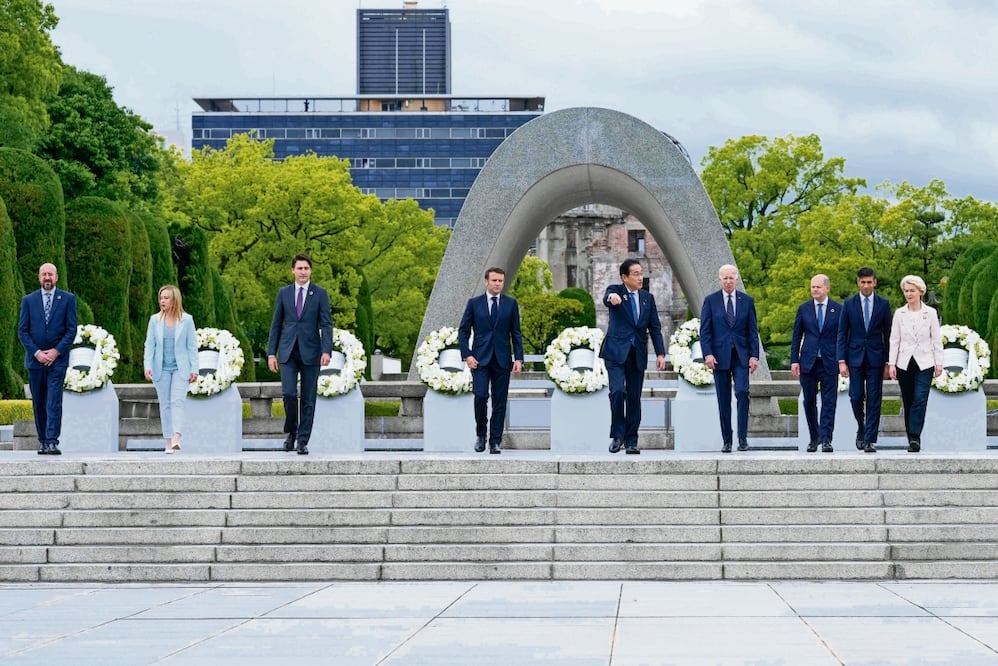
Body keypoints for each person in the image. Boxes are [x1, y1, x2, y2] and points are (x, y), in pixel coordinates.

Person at [267, 253, 332, 455]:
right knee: (288, 394)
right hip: (287, 351)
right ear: (293, 270)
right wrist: (271, 353)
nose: (303, 272)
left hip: (311, 352)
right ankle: (292, 432)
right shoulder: (284, 293)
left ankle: (302, 440)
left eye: (306, 268)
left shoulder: (320, 293)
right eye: (299, 268)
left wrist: (326, 350)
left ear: (310, 271)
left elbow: (326, 324)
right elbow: (276, 325)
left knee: (308, 399)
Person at [599, 259, 666, 455]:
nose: (640, 277)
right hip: (615, 352)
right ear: (624, 277)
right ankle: (617, 435)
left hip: (637, 354)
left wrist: (661, 353)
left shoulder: (647, 298)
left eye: (641, 273)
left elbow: (655, 327)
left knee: (635, 397)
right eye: (635, 274)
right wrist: (612, 298)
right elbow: (607, 297)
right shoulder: (616, 290)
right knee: (618, 391)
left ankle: (631, 441)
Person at [458, 267, 524, 454]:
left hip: (503, 360)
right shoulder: (474, 304)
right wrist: (467, 354)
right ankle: (481, 434)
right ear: (486, 282)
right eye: (494, 280)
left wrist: (518, 358)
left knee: (500, 401)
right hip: (479, 359)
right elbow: (463, 331)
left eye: (500, 281)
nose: (497, 284)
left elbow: (516, 333)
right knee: (480, 396)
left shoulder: (511, 304)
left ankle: (495, 441)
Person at [17, 263, 78, 455]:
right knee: (40, 401)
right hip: (35, 362)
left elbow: (71, 329)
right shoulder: (28, 300)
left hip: (57, 361)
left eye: (50, 274)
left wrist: (56, 351)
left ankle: (52, 441)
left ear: (56, 277)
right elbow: (23, 330)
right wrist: (37, 353)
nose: (47, 278)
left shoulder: (68, 299)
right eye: (44, 274)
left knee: (53, 401)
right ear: (39, 277)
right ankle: (42, 440)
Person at [700, 264, 760, 453]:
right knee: (723, 398)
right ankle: (727, 439)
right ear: (720, 280)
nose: (728, 281)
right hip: (719, 357)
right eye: (724, 278)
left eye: (731, 278)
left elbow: (752, 331)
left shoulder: (747, 301)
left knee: (742, 392)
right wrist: (707, 353)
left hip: (741, 356)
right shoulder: (711, 301)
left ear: (736, 279)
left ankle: (743, 438)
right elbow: (705, 331)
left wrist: (754, 356)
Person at [837, 267, 892, 453]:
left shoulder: (883, 304)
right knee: (856, 397)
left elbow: (888, 334)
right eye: (863, 282)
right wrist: (842, 361)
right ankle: (861, 427)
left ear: (875, 282)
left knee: (875, 399)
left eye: (869, 282)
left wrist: (888, 362)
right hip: (855, 358)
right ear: (858, 282)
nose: (866, 285)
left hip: (876, 358)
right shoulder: (849, 304)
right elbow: (842, 334)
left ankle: (869, 438)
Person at [887, 275, 943, 453]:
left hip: (925, 362)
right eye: (906, 291)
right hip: (904, 362)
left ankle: (915, 436)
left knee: (920, 399)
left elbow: (936, 339)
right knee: (909, 399)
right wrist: (892, 364)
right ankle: (911, 438)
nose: (908, 294)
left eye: (912, 290)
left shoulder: (931, 313)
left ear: (920, 291)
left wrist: (939, 363)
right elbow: (894, 340)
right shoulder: (899, 313)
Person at [143, 285, 199, 454]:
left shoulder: (187, 320)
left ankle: (176, 436)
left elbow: (192, 346)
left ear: (175, 300)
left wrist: (194, 369)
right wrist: (148, 366)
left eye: (166, 298)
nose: (162, 301)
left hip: (181, 369)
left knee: (177, 402)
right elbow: (149, 345)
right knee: (165, 405)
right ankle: (168, 441)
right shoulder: (155, 320)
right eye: (161, 298)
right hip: (161, 370)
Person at [790, 274, 841, 453]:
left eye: (818, 287)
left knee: (829, 402)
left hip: (829, 362)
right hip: (808, 362)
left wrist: (843, 360)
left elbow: (843, 338)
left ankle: (827, 439)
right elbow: (796, 336)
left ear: (827, 288)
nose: (814, 290)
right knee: (809, 401)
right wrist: (794, 360)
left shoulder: (838, 309)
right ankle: (814, 437)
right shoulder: (803, 309)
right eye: (812, 287)